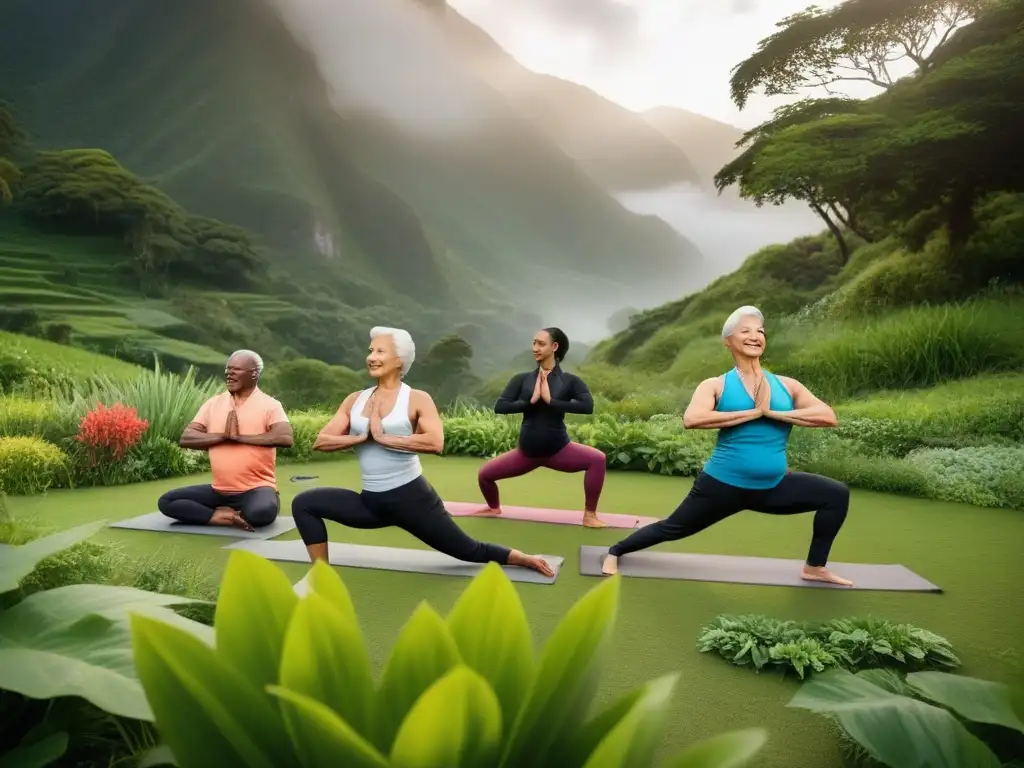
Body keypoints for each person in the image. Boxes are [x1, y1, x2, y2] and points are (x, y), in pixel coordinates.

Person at [601, 306, 854, 587]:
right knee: (673, 528)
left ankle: (815, 567)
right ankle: (616, 550)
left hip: (773, 486)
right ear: (728, 341)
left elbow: (827, 416)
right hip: (722, 486)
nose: (755, 336)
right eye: (745, 331)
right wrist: (752, 414)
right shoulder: (716, 384)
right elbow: (692, 419)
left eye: (760, 331)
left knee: (836, 494)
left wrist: (776, 414)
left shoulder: (787, 385)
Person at [290, 326, 554, 593]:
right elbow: (322, 441)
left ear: (399, 360)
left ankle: (523, 557)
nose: (372, 356)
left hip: (412, 500)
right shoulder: (355, 401)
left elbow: (434, 442)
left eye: (381, 351)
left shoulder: (416, 399)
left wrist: (383, 437)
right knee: (305, 504)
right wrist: (363, 438)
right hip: (371, 502)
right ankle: (320, 576)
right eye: (371, 351)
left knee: (467, 550)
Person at [472, 327, 608, 528]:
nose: (535, 348)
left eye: (541, 344)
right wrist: (531, 401)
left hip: (558, 450)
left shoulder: (570, 381)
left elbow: (587, 407)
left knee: (598, 459)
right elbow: (500, 406)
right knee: (484, 475)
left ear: (554, 347)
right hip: (526, 453)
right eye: (534, 343)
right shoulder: (522, 379)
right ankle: (493, 507)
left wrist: (551, 400)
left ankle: (590, 514)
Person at [158, 350, 293, 532]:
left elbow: (284, 437)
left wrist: (240, 438)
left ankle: (249, 507)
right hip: (219, 490)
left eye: (236, 369)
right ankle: (220, 516)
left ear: (254, 373)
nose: (229, 373)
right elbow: (187, 437)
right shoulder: (213, 403)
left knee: (260, 513)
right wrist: (223, 436)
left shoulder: (270, 405)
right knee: (167, 502)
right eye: (228, 369)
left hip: (257, 488)